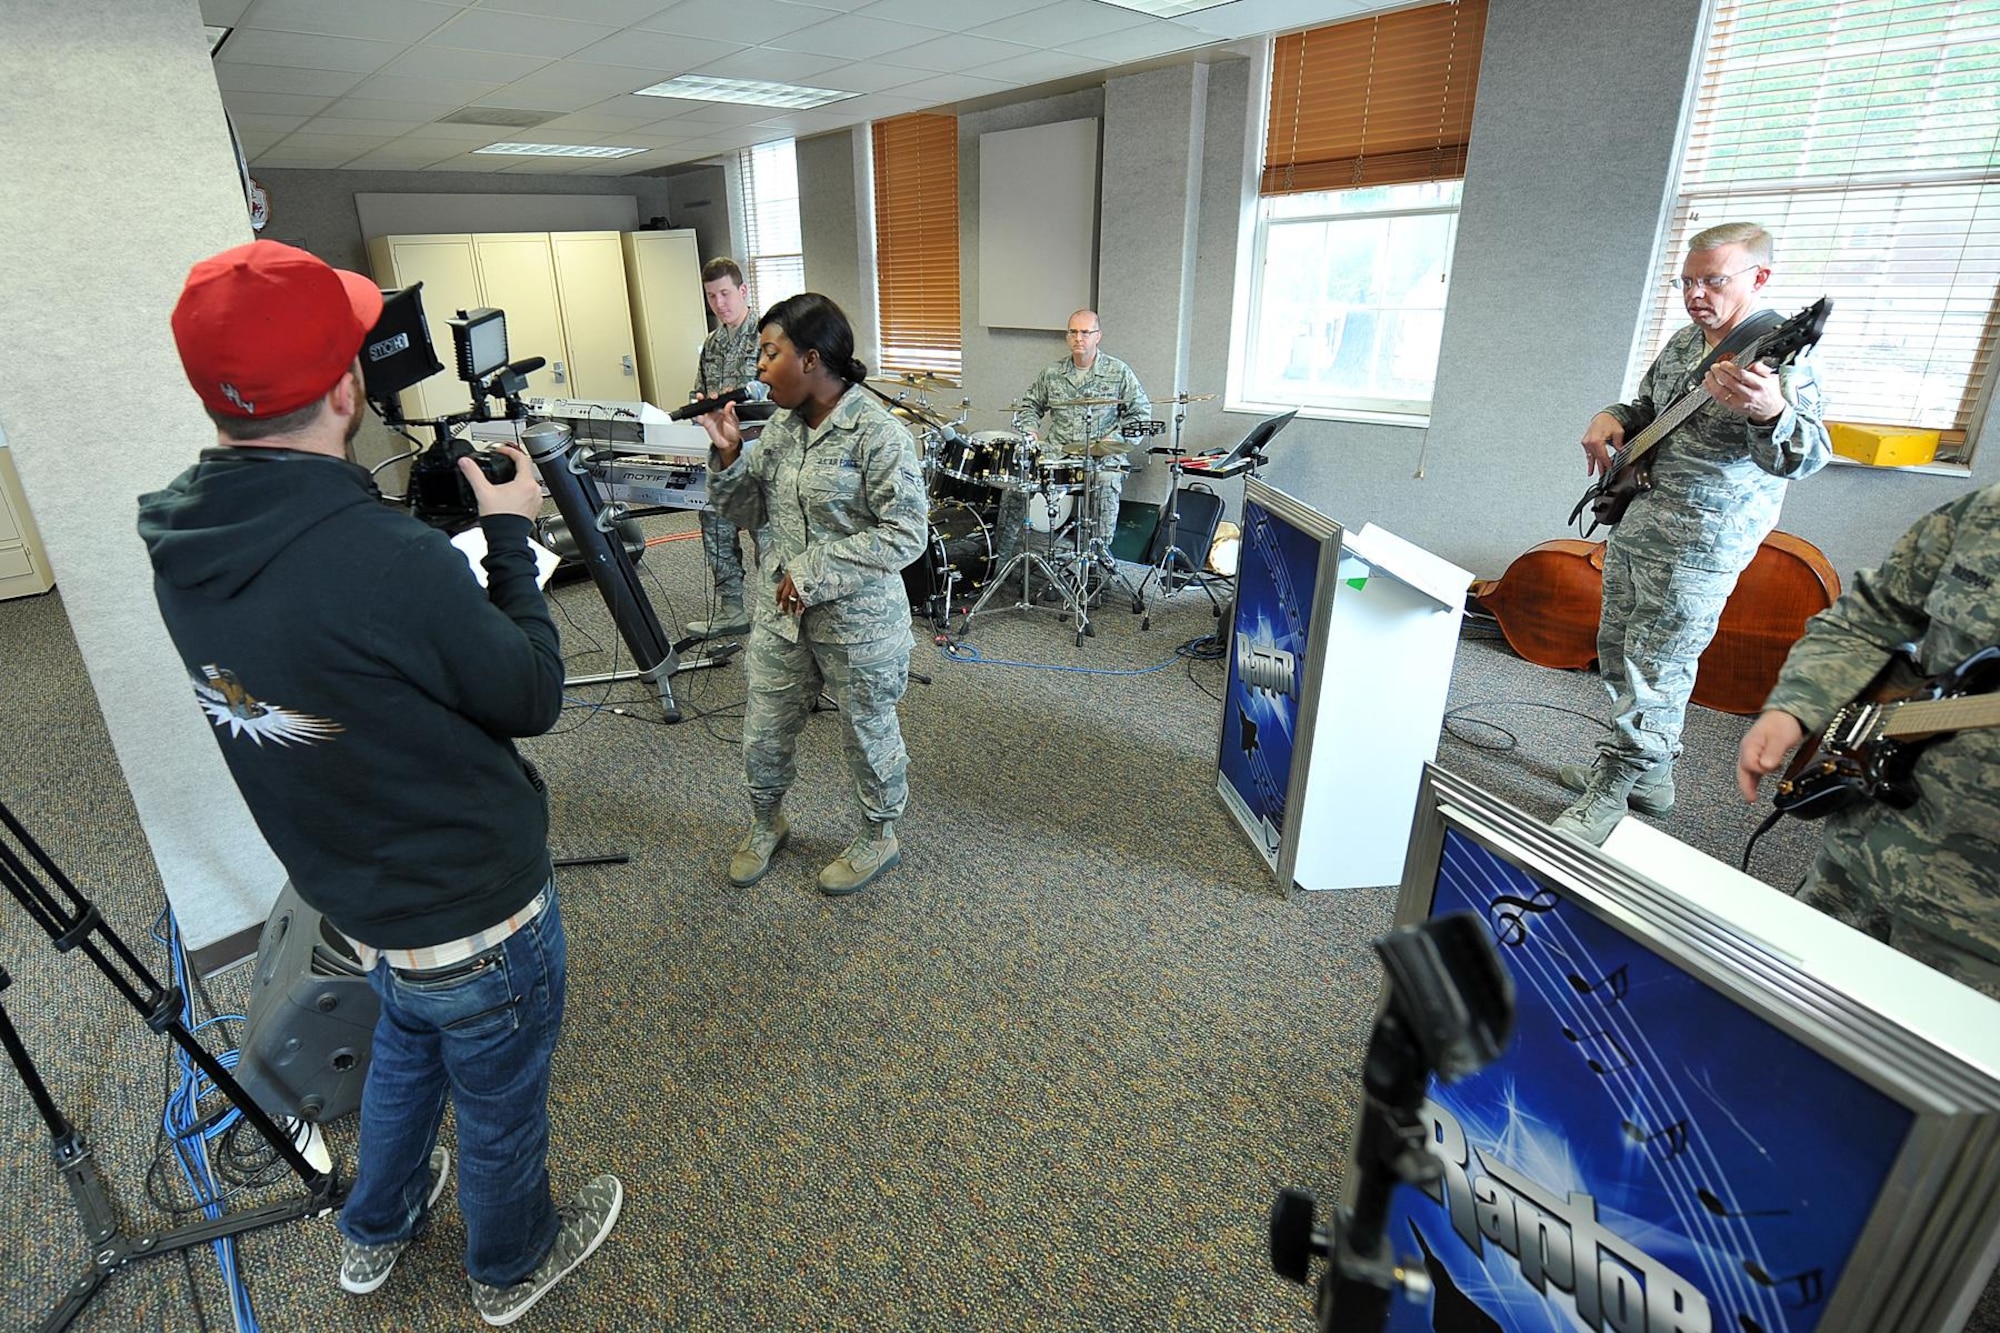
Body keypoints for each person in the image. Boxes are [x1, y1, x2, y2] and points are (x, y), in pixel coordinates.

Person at [137, 240, 621, 1326]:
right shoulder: (381, 558)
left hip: (356, 893)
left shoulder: (181, 540)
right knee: (497, 1104)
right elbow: (532, 692)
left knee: (407, 1046)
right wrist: (507, 533)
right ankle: (511, 1265)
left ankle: (374, 1229)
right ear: (346, 387)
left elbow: (336, 670)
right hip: (473, 903)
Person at [1554, 222, 1831, 844]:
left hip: (1702, 542)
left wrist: (1772, 413)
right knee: (1621, 648)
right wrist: (1610, 416)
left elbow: (1807, 456)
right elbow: (1647, 409)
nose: (1695, 293)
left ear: (1759, 278)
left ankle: (1615, 785)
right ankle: (1653, 774)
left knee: (1660, 664)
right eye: (1686, 281)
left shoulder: (1782, 360)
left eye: (1713, 280)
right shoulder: (1685, 343)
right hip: (1639, 522)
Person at [697, 292, 928, 896]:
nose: (758, 369)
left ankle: (879, 833)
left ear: (813, 359)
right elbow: (749, 511)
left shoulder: (877, 435)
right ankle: (766, 821)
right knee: (764, 727)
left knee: (867, 730)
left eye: (770, 354)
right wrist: (727, 456)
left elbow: (906, 535)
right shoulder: (778, 427)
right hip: (783, 614)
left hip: (859, 622)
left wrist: (814, 570)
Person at [1737, 483, 2000, 1001]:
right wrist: (1797, 705)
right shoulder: (1987, 512)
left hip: (1977, 940)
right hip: (1860, 852)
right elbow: (1870, 616)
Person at [1000, 310, 1151, 581]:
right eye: (1073, 332)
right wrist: (1030, 430)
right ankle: (1002, 559)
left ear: (1098, 336)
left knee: (1106, 481)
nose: (1078, 338)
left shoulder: (1118, 372)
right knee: (1015, 478)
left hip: (1102, 456)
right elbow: (1030, 405)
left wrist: (1113, 441)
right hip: (1058, 451)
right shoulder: (1053, 372)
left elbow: (1140, 416)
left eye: (1085, 332)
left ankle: (1096, 561)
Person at [684, 257, 767, 639]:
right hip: (723, 452)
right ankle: (731, 608)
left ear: (743, 291)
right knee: (714, 524)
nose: (719, 303)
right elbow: (697, 388)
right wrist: (701, 403)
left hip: (762, 450)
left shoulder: (769, 336)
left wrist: (732, 404)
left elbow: (778, 396)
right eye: (711, 296)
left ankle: (775, 613)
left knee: (767, 535)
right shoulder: (713, 344)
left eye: (725, 293)